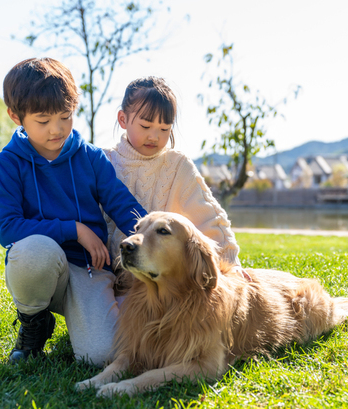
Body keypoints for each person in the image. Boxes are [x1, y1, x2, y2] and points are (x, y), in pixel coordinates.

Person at [0, 58, 147, 366]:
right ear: (15, 116)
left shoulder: (90, 158)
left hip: (90, 271)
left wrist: (156, 234)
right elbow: (8, 228)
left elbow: (122, 204)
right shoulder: (7, 163)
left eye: (65, 116)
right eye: (43, 120)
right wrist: (74, 229)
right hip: (41, 270)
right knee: (34, 252)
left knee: (101, 355)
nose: (57, 129)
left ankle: (86, 319)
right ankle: (35, 323)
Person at [103, 76, 247, 279]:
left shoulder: (177, 165)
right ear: (123, 119)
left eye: (164, 129)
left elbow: (210, 219)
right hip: (105, 273)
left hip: (154, 276)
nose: (154, 136)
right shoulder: (103, 161)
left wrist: (231, 263)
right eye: (145, 126)